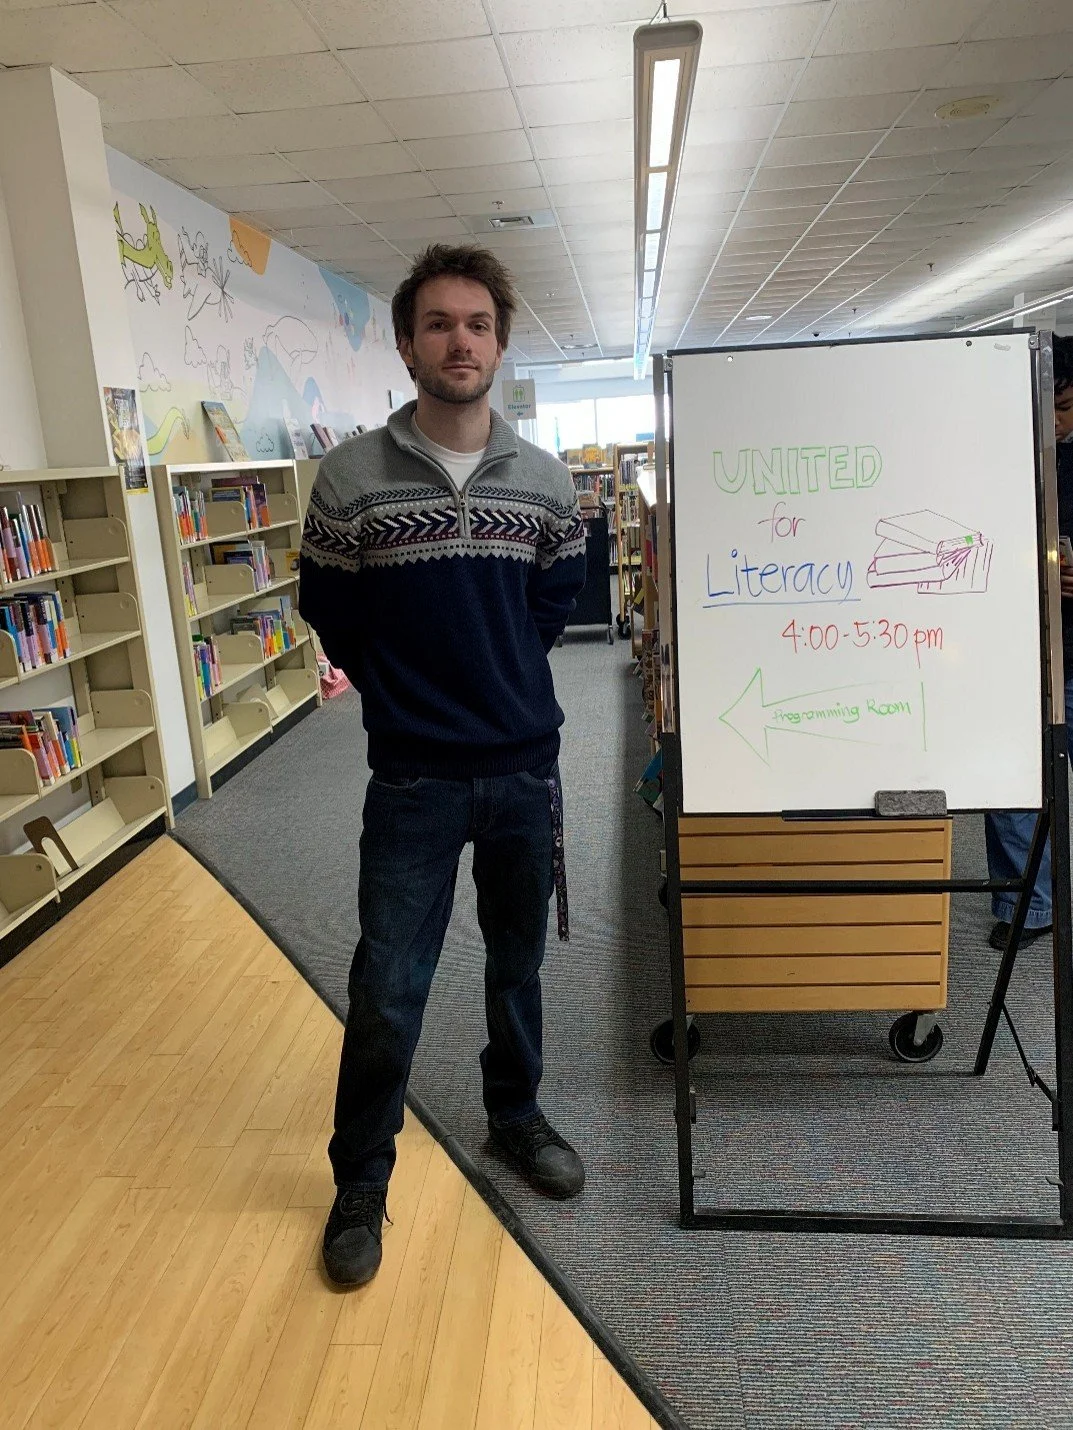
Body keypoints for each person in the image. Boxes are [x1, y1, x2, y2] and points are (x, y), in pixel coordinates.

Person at [298, 244, 588, 1288]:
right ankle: (359, 1177)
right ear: (408, 342)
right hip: (411, 775)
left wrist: (496, 671)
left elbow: (554, 601)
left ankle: (513, 1113)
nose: (457, 339)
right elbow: (329, 604)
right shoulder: (351, 479)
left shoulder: (545, 481)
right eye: (436, 323)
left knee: (518, 965)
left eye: (475, 323)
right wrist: (405, 684)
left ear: (499, 342)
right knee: (387, 982)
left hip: (521, 769)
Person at [985, 333, 1073, 949]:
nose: (1054, 419)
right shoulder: (1001, 451)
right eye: (1044, 404)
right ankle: (1028, 908)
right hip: (1017, 651)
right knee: (1012, 786)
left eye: (1064, 404)